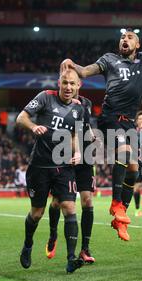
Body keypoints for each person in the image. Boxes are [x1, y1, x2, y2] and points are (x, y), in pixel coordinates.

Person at [61, 0, 142, 241]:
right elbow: (86, 71)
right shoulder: (109, 59)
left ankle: (120, 216)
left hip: (129, 121)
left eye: (130, 37)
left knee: (133, 168)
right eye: (123, 37)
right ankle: (116, 204)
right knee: (124, 153)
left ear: (137, 43)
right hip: (111, 117)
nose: (125, 39)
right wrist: (73, 65)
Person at [16, 69, 85, 274]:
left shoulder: (78, 109)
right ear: (59, 83)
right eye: (65, 83)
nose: (68, 87)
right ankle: (28, 244)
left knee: (70, 208)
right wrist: (33, 126)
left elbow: (74, 136)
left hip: (63, 167)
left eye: (72, 84)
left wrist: (79, 152)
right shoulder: (45, 97)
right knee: (37, 213)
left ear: (77, 86)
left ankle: (71, 258)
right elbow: (21, 117)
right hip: (39, 167)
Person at [47, 93, 96, 264]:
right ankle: (53, 234)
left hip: (85, 156)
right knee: (56, 202)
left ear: (78, 84)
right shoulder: (56, 102)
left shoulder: (86, 103)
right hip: (64, 156)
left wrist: (91, 135)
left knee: (88, 201)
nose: (70, 85)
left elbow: (87, 125)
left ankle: (85, 249)